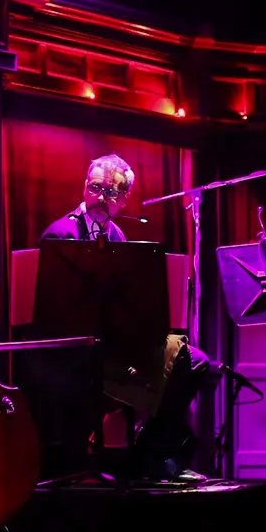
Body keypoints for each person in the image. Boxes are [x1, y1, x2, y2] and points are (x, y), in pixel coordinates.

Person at [39, 153, 215, 482]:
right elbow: (51, 314)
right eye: (95, 188)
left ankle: (151, 453)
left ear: (124, 199)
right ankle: (144, 461)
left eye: (111, 192)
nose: (100, 197)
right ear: (84, 187)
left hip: (118, 347)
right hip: (78, 354)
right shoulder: (61, 234)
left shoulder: (119, 236)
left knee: (198, 363)